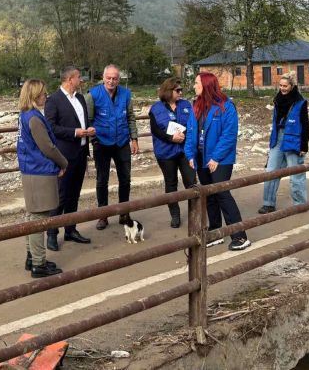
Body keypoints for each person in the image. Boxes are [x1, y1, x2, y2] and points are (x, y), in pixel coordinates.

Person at [184, 72, 251, 251]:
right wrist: (190, 154)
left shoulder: (226, 107)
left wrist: (216, 157)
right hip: (201, 158)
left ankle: (239, 236)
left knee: (222, 193)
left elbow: (229, 135)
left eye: (197, 83)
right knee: (209, 195)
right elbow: (191, 132)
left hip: (220, 159)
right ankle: (215, 232)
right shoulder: (196, 106)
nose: (194, 86)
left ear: (206, 85)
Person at [16, 79, 67, 278]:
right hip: (39, 172)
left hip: (30, 170)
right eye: (43, 93)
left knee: (32, 215)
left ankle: (32, 257)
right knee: (39, 219)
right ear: (35, 95)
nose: (46, 96)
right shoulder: (35, 119)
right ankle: (39, 263)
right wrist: (63, 163)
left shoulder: (24, 116)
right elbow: (48, 147)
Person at [44, 66, 96, 251]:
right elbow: (50, 127)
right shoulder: (53, 100)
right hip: (64, 156)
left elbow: (83, 121)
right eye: (78, 77)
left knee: (74, 194)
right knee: (61, 195)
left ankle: (70, 229)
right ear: (69, 80)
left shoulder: (80, 98)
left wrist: (88, 129)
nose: (81, 80)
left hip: (81, 153)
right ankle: (51, 233)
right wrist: (74, 132)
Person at [85, 64, 138, 230]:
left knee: (125, 178)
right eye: (108, 78)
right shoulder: (93, 95)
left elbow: (130, 117)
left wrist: (134, 138)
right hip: (102, 142)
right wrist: (94, 140)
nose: (111, 81)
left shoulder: (126, 94)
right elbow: (88, 120)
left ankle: (124, 212)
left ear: (119, 79)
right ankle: (103, 214)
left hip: (122, 141)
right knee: (102, 180)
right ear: (103, 77)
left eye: (115, 78)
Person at [259, 71, 309, 213]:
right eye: (280, 85)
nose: (282, 88)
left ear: (292, 86)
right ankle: (268, 203)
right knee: (270, 171)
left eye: (285, 86)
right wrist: (272, 142)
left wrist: (304, 145)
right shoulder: (277, 100)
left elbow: (305, 124)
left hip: (294, 140)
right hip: (278, 138)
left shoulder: (300, 102)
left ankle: (300, 204)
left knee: (296, 174)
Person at [149, 79, 196, 228]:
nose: (181, 93)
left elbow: (192, 124)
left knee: (191, 182)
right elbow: (156, 130)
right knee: (171, 183)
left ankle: (195, 213)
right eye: (178, 90)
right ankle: (175, 215)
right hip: (165, 152)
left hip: (184, 151)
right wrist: (171, 138)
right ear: (168, 91)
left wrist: (184, 135)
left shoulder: (186, 105)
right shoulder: (156, 109)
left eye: (181, 90)